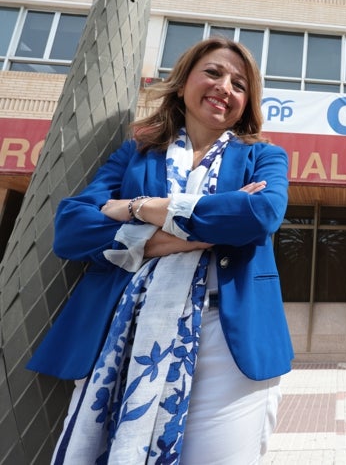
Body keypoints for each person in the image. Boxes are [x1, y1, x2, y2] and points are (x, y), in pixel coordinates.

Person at [27, 37, 294, 464]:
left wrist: (138, 207)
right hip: (126, 331)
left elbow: (259, 214)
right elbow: (72, 230)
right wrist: (196, 231)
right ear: (185, 78)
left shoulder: (263, 156)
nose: (225, 86)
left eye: (239, 84)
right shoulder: (136, 154)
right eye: (213, 72)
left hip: (230, 341)